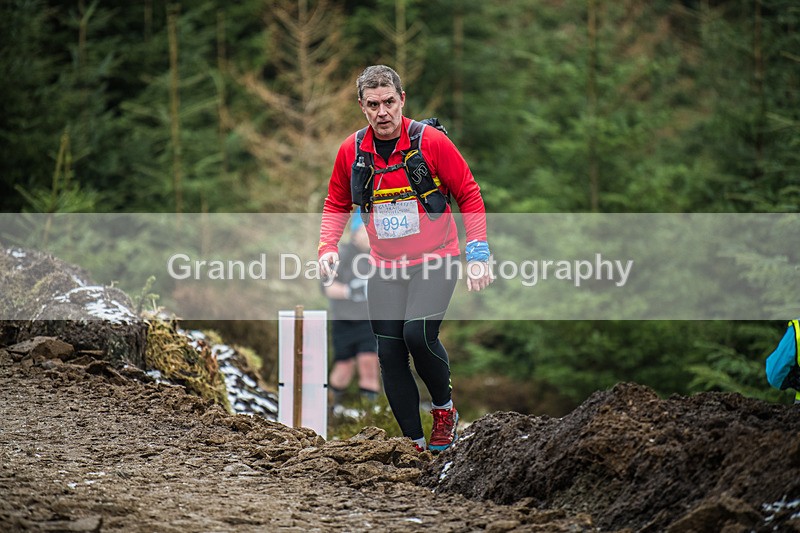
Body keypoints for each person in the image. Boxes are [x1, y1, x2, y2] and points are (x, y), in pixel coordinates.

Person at [318, 65, 493, 452]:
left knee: (417, 333)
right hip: (385, 266)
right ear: (362, 106)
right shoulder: (352, 150)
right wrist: (328, 246)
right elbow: (335, 202)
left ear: (402, 101)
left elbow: (468, 193)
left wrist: (477, 251)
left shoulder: (429, 142)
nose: (383, 112)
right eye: (374, 104)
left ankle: (444, 412)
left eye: (390, 102)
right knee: (389, 350)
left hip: (437, 258)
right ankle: (414, 445)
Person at [323, 214, 380, 414]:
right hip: (344, 320)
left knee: (368, 364)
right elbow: (327, 287)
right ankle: (329, 411)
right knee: (343, 368)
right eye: (366, 231)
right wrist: (350, 291)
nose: (370, 237)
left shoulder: (378, 255)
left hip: (370, 322)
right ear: (356, 232)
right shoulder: (343, 254)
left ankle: (371, 415)